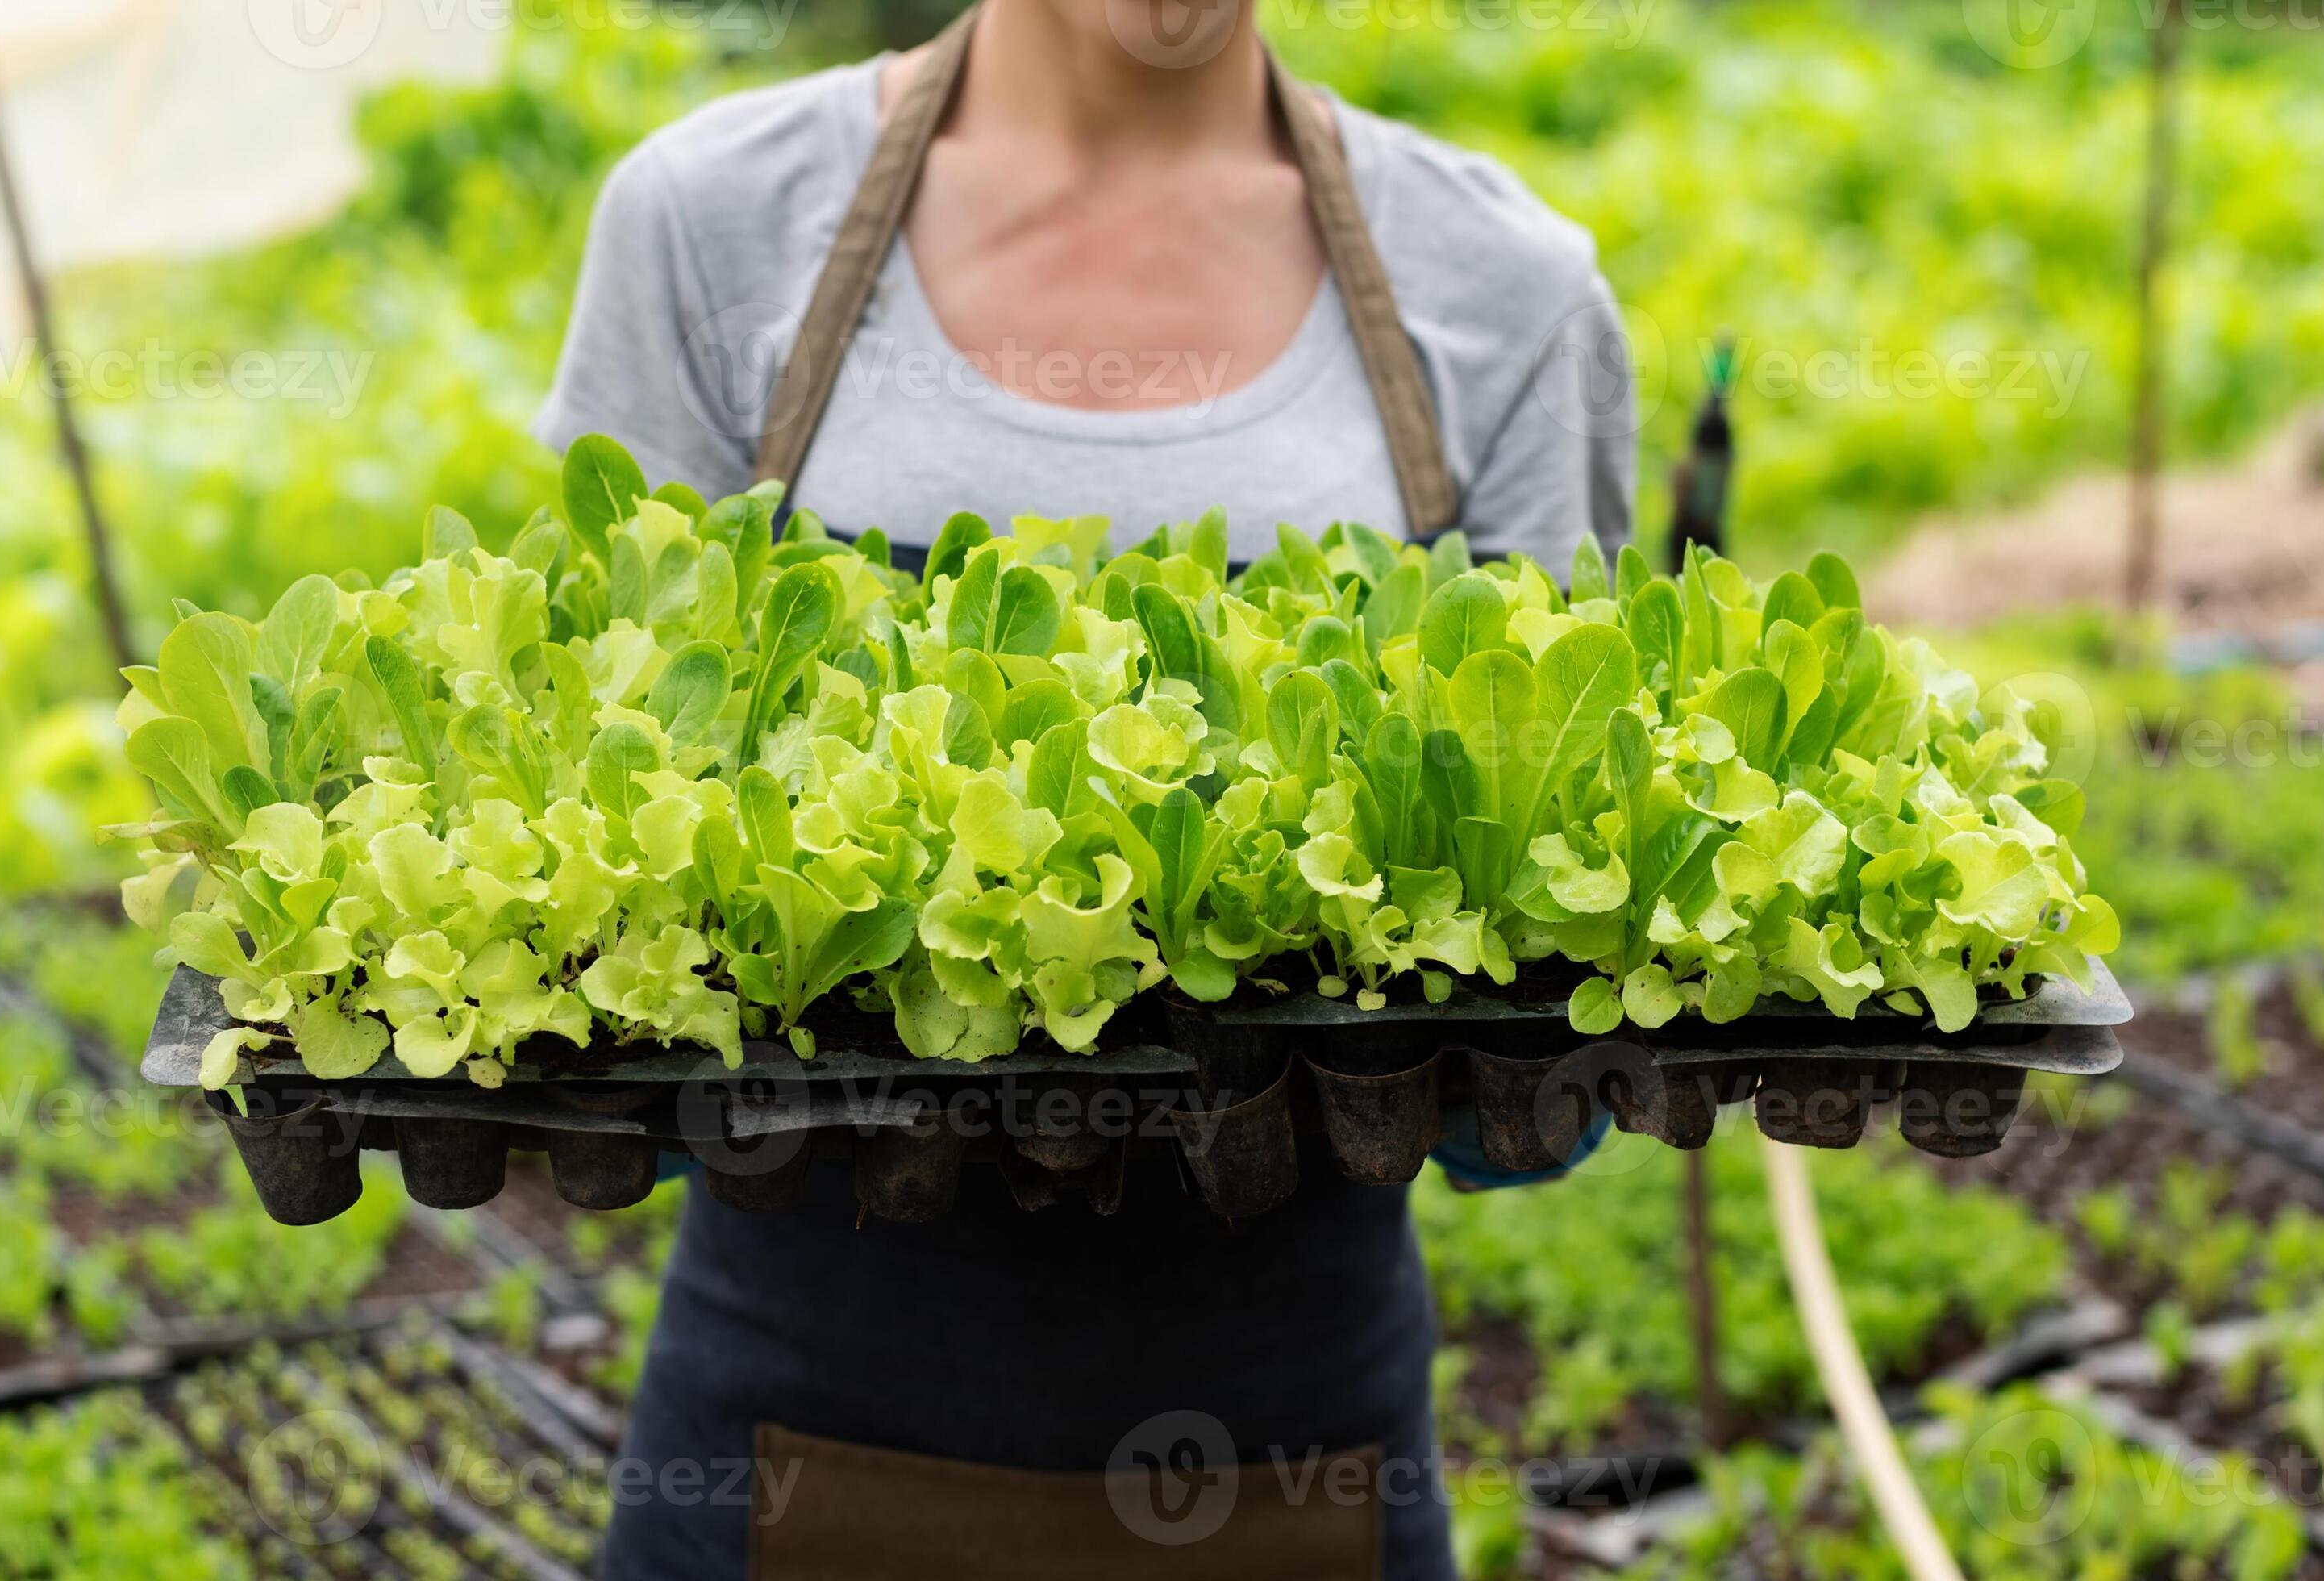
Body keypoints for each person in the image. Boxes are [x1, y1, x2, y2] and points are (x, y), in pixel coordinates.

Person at [535, 2, 1636, 1575]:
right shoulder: (712, 226)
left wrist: (1532, 1055)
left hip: (1290, 1447)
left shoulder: (1505, 292)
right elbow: (596, 824)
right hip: (783, 1425)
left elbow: (1534, 1017)